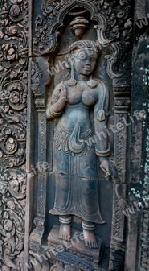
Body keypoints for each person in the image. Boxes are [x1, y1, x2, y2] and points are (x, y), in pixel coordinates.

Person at [46, 40, 111, 248]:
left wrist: (103, 156)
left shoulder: (99, 87)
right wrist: (61, 102)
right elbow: (49, 113)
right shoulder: (63, 86)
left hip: (87, 139)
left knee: (88, 182)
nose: (88, 63)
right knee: (63, 180)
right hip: (63, 137)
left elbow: (101, 122)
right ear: (72, 60)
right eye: (82, 58)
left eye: (92, 59)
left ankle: (88, 226)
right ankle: (64, 221)